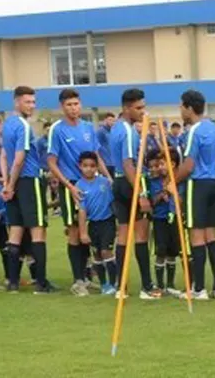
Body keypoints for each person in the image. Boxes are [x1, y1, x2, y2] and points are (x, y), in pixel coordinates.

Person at [47, 89, 106, 296]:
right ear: (62, 107)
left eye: (76, 104)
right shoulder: (58, 130)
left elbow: (97, 156)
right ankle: (78, 280)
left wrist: (108, 179)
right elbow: (52, 162)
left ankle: (88, 276)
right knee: (74, 230)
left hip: (93, 185)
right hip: (72, 185)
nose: (73, 108)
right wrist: (69, 186)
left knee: (90, 230)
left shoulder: (89, 127)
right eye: (69, 105)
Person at [1, 86, 55, 294]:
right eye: (27, 102)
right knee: (38, 231)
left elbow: (4, 156)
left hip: (14, 183)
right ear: (17, 102)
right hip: (28, 181)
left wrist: (6, 184)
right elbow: (19, 158)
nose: (32, 106)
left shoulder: (7, 125)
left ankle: (12, 282)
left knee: (15, 231)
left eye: (33, 102)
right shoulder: (23, 126)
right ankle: (40, 283)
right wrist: (12, 184)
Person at [174, 89, 215, 300]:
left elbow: (188, 165)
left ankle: (199, 289)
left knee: (196, 235)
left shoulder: (195, 130)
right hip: (214, 182)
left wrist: (172, 181)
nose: (180, 110)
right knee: (210, 235)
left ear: (188, 108)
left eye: (181, 106)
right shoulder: (213, 128)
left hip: (198, 184)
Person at [109, 88, 159, 299]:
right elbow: (129, 164)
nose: (142, 111)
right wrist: (141, 193)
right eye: (138, 108)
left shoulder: (117, 129)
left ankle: (121, 286)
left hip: (119, 182)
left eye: (143, 107)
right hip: (129, 182)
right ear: (126, 108)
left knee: (123, 234)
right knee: (140, 234)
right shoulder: (128, 131)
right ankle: (146, 286)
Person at [75, 152, 118, 295]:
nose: (89, 169)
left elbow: (113, 203)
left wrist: (118, 222)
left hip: (108, 222)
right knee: (97, 255)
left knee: (106, 251)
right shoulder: (78, 186)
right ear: (80, 167)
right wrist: (83, 232)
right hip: (93, 224)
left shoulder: (105, 182)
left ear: (97, 167)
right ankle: (104, 284)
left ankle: (114, 282)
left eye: (92, 166)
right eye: (85, 166)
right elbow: (82, 211)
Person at [146, 150, 182, 296]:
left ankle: (170, 284)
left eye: (160, 165)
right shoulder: (152, 182)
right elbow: (151, 203)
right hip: (159, 219)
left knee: (172, 252)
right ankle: (160, 285)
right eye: (154, 166)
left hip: (172, 218)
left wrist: (172, 192)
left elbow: (181, 202)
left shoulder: (176, 180)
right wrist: (161, 195)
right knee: (161, 251)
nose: (158, 168)